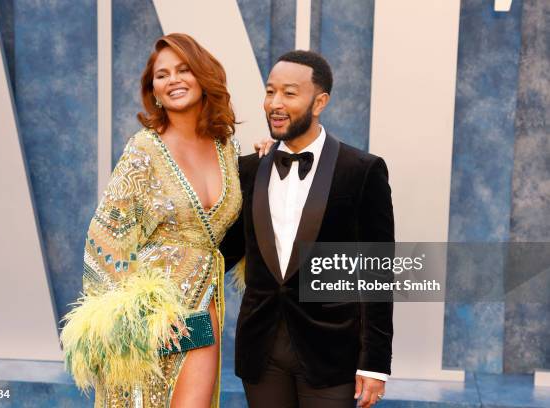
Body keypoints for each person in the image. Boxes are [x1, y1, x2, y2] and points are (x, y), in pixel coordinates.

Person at [60, 33, 243, 408]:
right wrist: (143, 314)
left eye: (183, 69)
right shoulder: (142, 150)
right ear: (154, 91)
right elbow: (104, 238)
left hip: (203, 307)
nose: (173, 79)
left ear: (203, 76)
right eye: (162, 75)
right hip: (150, 320)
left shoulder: (227, 147)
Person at [221, 50, 394, 408]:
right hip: (261, 349)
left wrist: (375, 363)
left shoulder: (361, 170)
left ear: (320, 102)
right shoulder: (249, 169)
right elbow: (227, 250)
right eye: (270, 92)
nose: (275, 104)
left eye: (289, 92)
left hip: (331, 352)